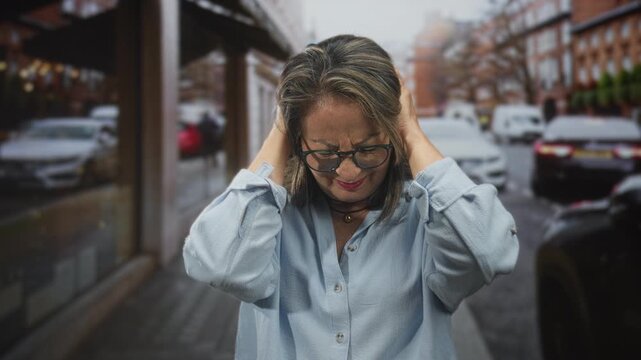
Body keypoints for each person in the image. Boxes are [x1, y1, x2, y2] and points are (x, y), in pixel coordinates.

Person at [183, 35, 519, 359]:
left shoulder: (427, 219)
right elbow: (219, 264)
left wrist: (413, 133)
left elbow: (489, 251)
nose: (349, 173)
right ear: (297, 144)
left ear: (394, 135)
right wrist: (282, 127)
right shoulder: (267, 219)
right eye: (326, 153)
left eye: (369, 149)